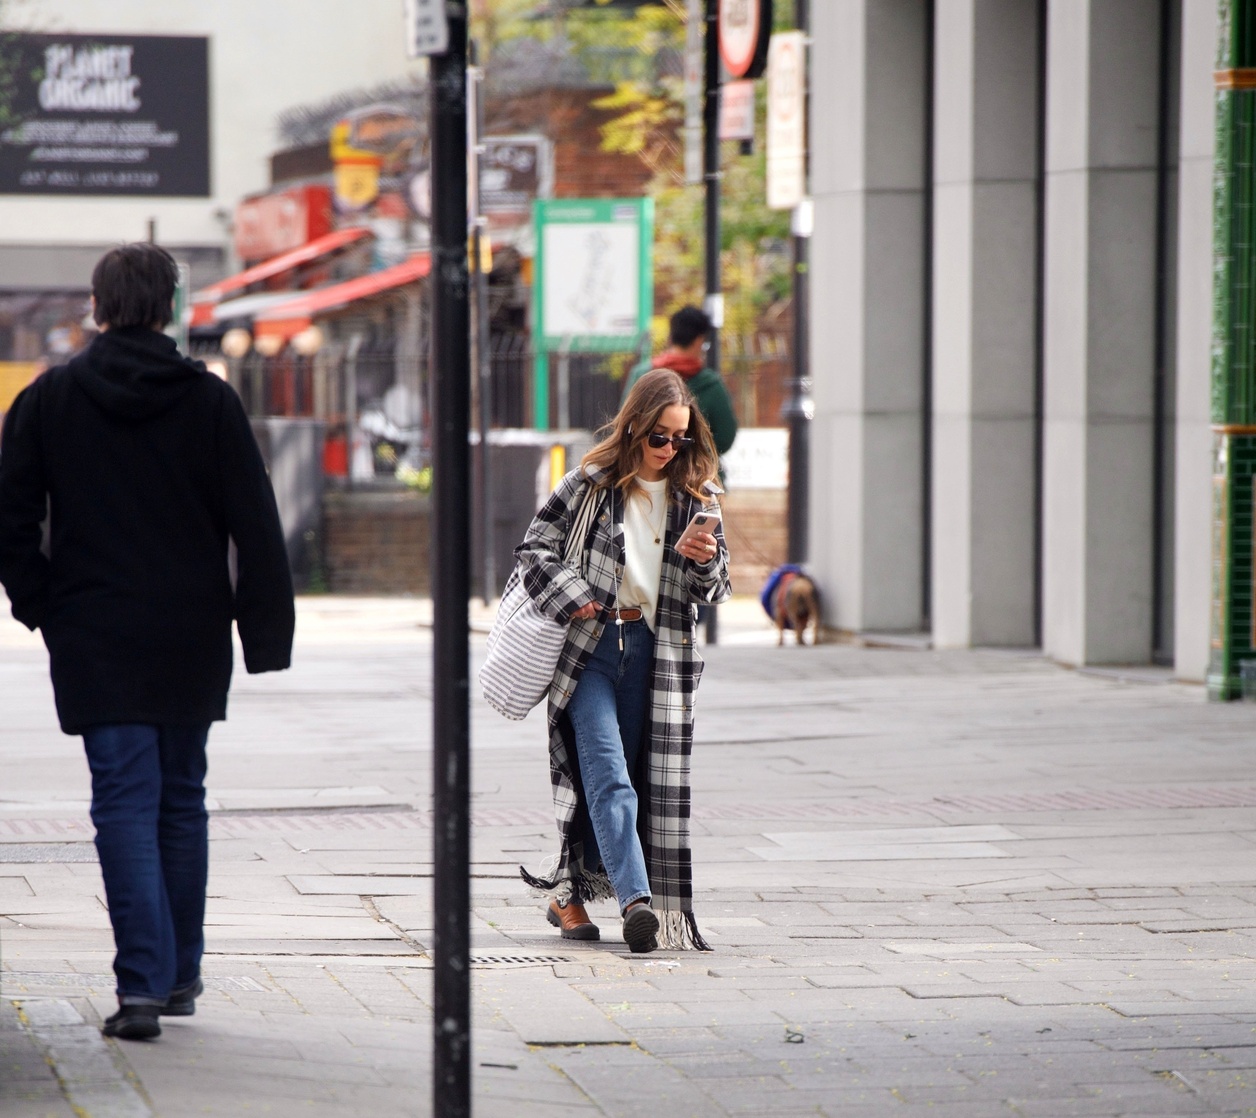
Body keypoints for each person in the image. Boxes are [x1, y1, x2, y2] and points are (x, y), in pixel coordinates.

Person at [0, 243, 295, 1041]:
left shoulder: (50, 398)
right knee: (181, 798)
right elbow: (254, 522)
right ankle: (178, 975)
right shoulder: (209, 402)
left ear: (98, 306)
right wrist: (263, 630)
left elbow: (10, 516)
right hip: (189, 629)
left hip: (95, 630)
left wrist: (41, 606)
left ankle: (140, 989)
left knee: (123, 800)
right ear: (169, 307)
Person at [517, 368, 731, 953]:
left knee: (634, 780)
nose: (669, 449)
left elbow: (717, 588)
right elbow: (534, 549)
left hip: (654, 657)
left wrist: (704, 558)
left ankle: (566, 892)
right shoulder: (587, 485)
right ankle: (639, 904)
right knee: (610, 775)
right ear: (634, 426)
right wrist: (574, 594)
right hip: (588, 650)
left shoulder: (697, 498)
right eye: (659, 436)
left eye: (681, 439)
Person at [622, 305, 738, 458]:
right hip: (698, 472)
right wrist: (690, 454)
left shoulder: (642, 374)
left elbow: (625, 423)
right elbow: (725, 437)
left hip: (645, 469)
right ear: (699, 340)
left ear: (671, 337)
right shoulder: (711, 384)